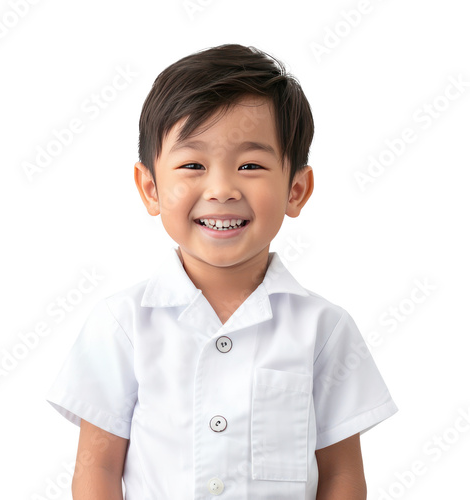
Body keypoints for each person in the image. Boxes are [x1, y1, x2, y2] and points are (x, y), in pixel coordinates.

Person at [46, 43, 398, 500]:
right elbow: (97, 470)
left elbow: (342, 476)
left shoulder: (325, 330)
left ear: (296, 189)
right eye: (193, 165)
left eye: (251, 165)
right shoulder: (122, 324)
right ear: (150, 188)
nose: (221, 189)